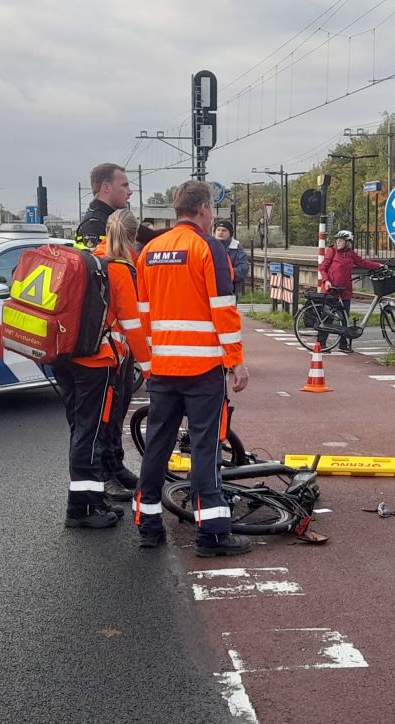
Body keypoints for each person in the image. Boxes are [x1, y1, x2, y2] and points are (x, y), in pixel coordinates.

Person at [133, 180, 251, 557]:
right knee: (204, 446)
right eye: (211, 210)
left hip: (164, 368)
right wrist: (235, 361)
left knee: (157, 445)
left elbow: (143, 315)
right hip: (202, 369)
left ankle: (147, 525)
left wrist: (149, 365)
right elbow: (223, 308)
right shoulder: (208, 248)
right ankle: (212, 534)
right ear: (203, 210)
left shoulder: (150, 251)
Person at [52, 209, 151, 529]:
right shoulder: (119, 269)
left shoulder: (85, 259)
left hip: (64, 357)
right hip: (96, 362)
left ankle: (92, 499)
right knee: (90, 434)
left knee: (79, 430)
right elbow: (133, 326)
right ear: (134, 237)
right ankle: (81, 510)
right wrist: (149, 368)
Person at [76, 163, 160, 499]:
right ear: (105, 187)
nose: (129, 191)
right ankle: (102, 476)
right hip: (101, 341)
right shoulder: (95, 227)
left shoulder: (113, 225)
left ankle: (115, 465)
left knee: (118, 405)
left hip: (115, 344)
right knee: (102, 416)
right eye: (125, 185)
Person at [318, 230, 382, 352]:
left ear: (347, 242)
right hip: (331, 288)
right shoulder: (332, 251)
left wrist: (378, 266)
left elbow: (363, 263)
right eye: (337, 240)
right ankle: (321, 342)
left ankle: (343, 344)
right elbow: (323, 267)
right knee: (328, 317)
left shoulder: (351, 254)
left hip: (345, 289)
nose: (338, 242)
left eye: (341, 240)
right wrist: (326, 281)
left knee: (345, 317)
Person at [213, 220, 249, 297]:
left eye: (224, 230)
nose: (220, 232)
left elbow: (243, 269)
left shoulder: (237, 249)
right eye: (218, 230)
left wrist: (224, 274)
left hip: (231, 293)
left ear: (230, 233)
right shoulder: (208, 246)